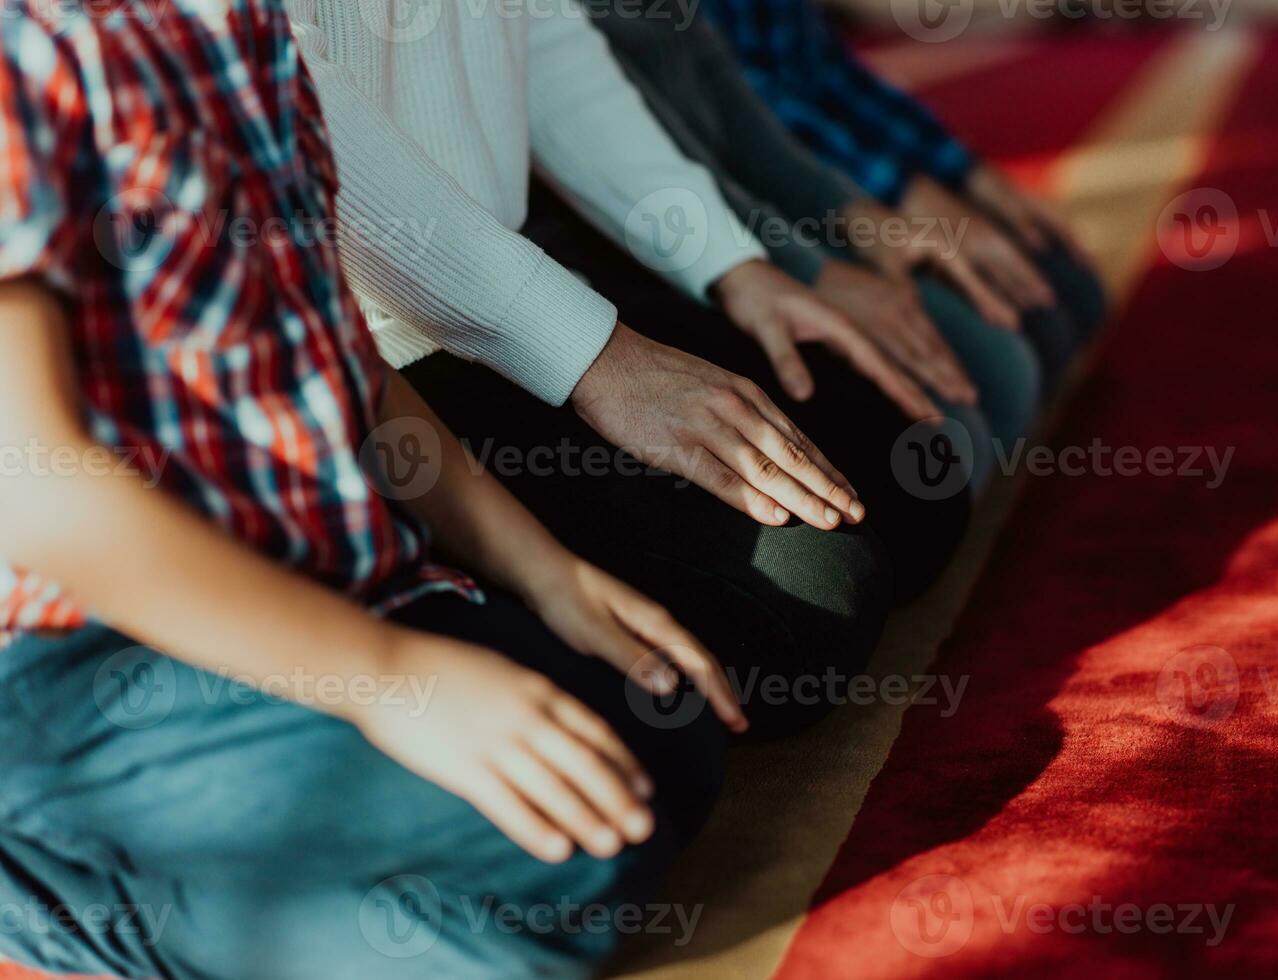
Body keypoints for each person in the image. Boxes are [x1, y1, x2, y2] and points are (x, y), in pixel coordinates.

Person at [0, 2, 742, 975]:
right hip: (97, 653)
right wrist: (391, 680)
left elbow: (343, 362)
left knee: (661, 731)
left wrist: (549, 572)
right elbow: (39, 493)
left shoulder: (242, 24)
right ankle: (54, 881)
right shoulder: (26, 50)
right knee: (547, 853)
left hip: (333, 587)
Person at [289, 0, 974, 735]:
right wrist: (596, 357)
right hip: (383, 345)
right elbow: (300, 117)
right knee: (811, 607)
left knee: (915, 486)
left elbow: (549, 42)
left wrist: (727, 262)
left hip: (523, 255)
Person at [572, 2, 1045, 492]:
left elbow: (756, 118)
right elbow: (654, 174)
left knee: (1007, 366)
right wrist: (807, 269)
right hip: (650, 256)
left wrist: (865, 217)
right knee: (944, 444)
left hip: (749, 228)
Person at [702, 0, 1109, 393]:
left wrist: (965, 173)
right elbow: (743, 116)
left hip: (829, 175)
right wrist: (892, 198)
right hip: (754, 199)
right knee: (1011, 366)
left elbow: (829, 70)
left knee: (1071, 293)